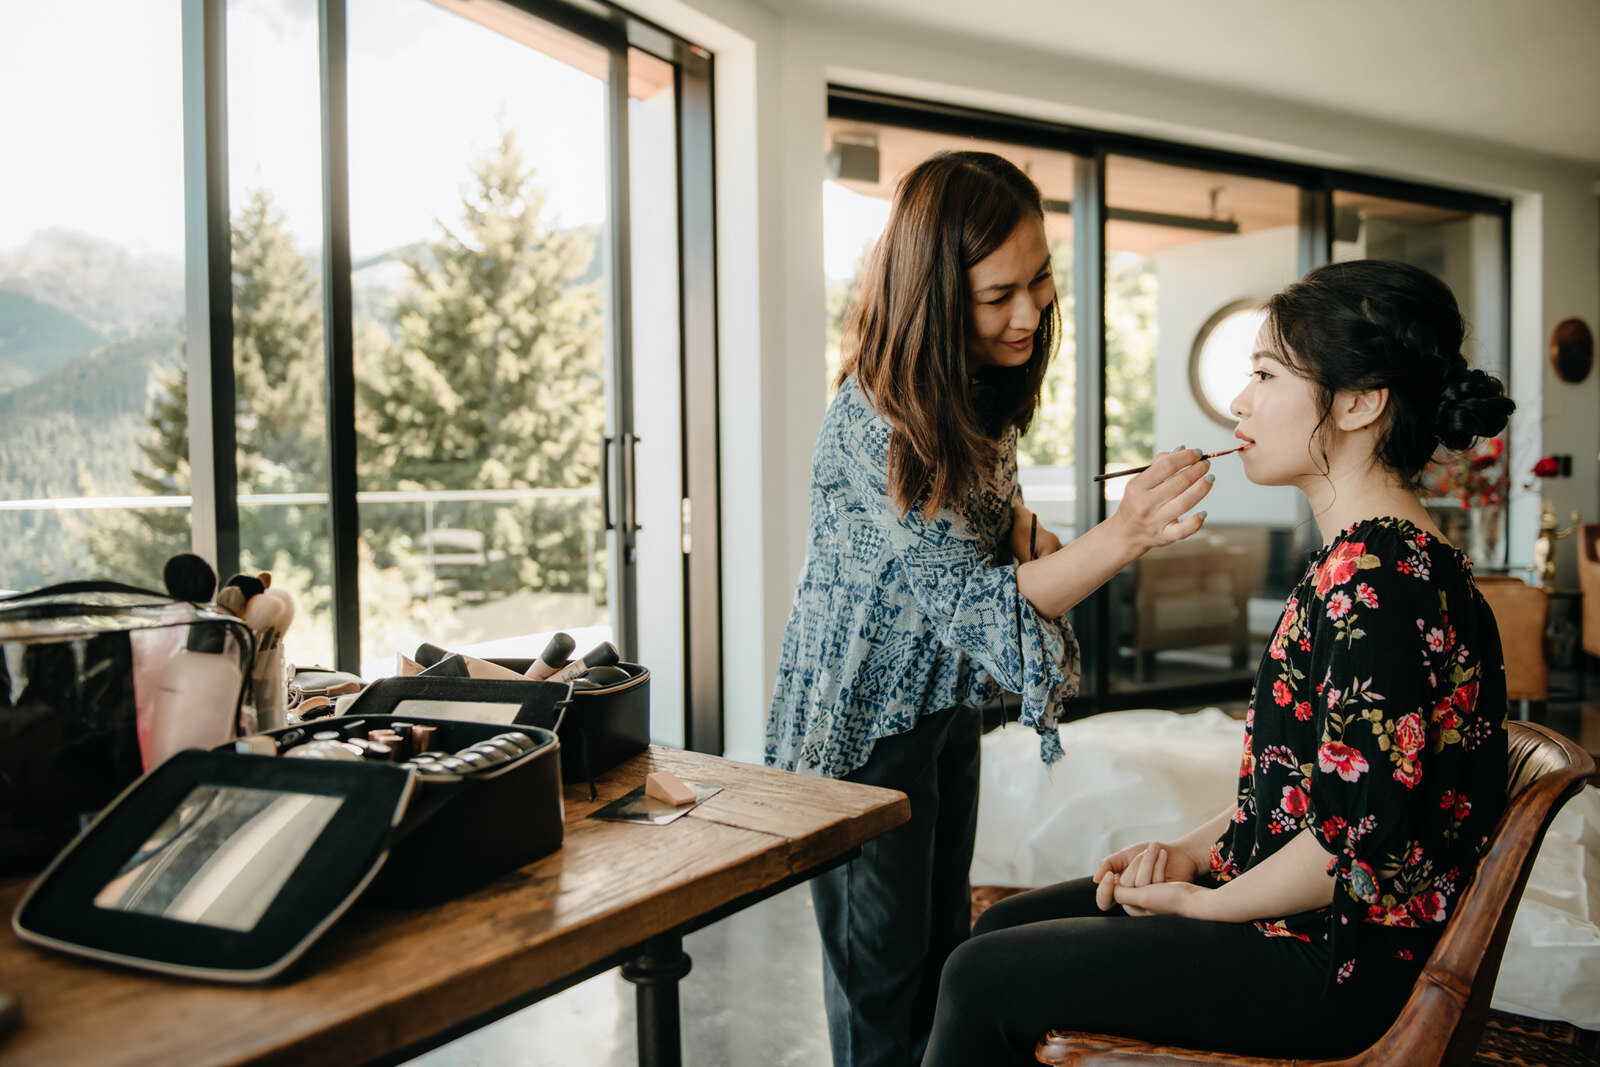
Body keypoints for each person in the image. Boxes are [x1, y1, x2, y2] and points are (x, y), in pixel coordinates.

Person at [921, 259, 1516, 1065]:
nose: (1240, 400)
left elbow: (1349, 841)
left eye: (1266, 373)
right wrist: (1190, 853)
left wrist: (1204, 905)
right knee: (999, 926)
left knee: (981, 974)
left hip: (1332, 958)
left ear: (1360, 401)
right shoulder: (1367, 562)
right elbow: (1297, 794)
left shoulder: (1380, 583)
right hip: (1303, 914)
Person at [765, 150, 1215, 1067]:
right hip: (859, 734)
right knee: (883, 998)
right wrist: (1124, 532)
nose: (1029, 312)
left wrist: (1027, 531)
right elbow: (970, 602)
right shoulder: (879, 417)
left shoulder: (976, 389)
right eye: (997, 294)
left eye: (1040, 279)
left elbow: (983, 529)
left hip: (939, 708)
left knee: (941, 961)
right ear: (934, 295)